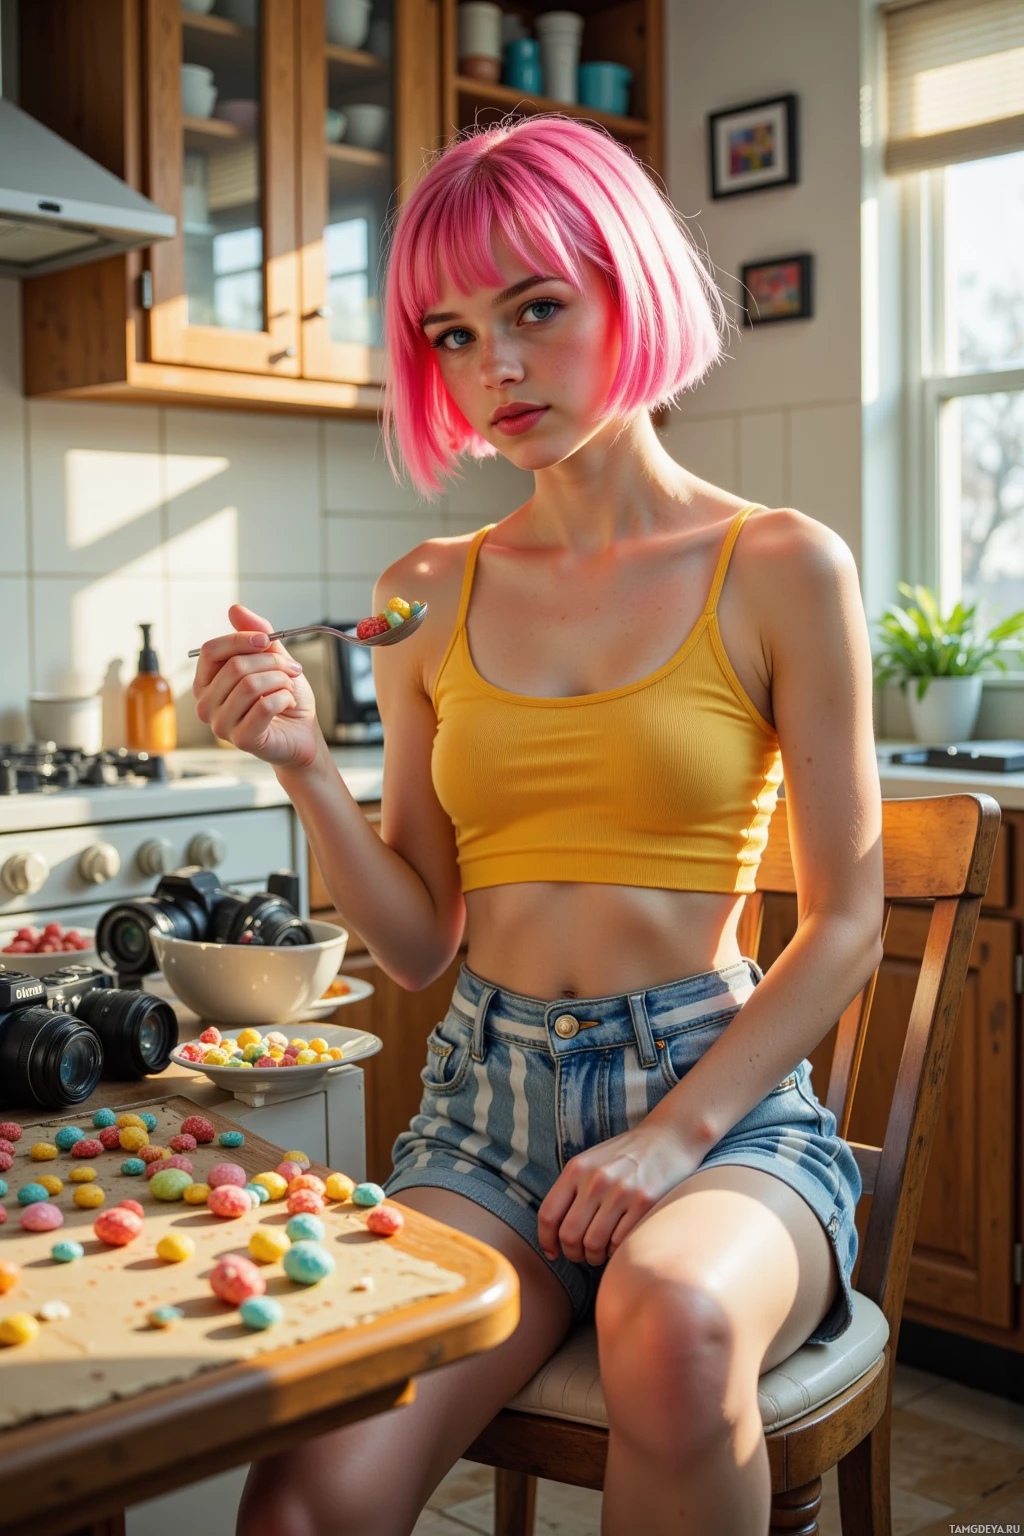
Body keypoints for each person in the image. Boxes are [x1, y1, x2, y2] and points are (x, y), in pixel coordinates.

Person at [194, 114, 883, 1536]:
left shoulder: (781, 565)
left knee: (676, 1331)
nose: (493, 367)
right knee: (304, 1499)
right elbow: (414, 943)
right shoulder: (425, 590)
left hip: (725, 1112)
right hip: (484, 1124)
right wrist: (303, 769)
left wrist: (668, 1138)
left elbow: (849, 920)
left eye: (536, 308)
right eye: (449, 333)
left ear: (628, 287)